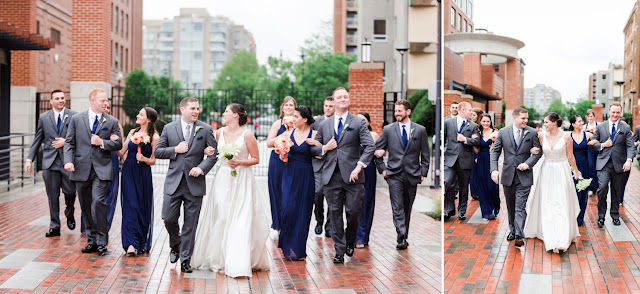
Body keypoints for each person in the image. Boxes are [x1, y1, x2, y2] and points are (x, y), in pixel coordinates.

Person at [191, 103, 270, 277]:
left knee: (240, 217)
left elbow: (256, 159)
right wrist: (207, 150)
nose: (223, 114)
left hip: (242, 178)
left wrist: (240, 162)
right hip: (223, 178)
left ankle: (237, 259)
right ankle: (218, 257)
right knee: (221, 215)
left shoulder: (247, 135)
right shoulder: (219, 132)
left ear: (235, 115)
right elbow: (211, 153)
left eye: (226, 111)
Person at [311, 87, 374, 264]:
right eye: (339, 97)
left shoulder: (358, 122)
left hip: (353, 176)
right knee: (335, 213)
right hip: (331, 176)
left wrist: (359, 166)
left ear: (348, 100)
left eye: (346, 96)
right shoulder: (323, 125)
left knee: (353, 212)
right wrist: (325, 148)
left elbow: (369, 146)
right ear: (335, 100)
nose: (343, 99)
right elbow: (314, 148)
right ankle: (339, 250)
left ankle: (350, 240)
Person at [154, 97, 218, 273]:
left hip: (194, 184)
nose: (196, 111)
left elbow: (214, 155)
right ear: (182, 110)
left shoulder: (205, 129)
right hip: (173, 183)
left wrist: (201, 168)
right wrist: (175, 149)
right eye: (192, 108)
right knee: (168, 218)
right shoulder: (169, 128)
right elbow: (158, 151)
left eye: (197, 108)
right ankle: (176, 244)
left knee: (190, 224)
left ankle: (185, 260)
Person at [63, 88, 123, 255]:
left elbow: (118, 144)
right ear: (93, 101)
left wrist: (102, 142)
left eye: (106, 100)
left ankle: (102, 241)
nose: (106, 103)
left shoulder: (111, 121)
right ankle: (92, 240)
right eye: (102, 100)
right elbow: (69, 143)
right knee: (85, 206)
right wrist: (68, 161)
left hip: (101, 170)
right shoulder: (76, 119)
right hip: (80, 169)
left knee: (98, 202)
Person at [374, 100, 429, 250]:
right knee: (397, 206)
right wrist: (383, 170)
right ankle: (401, 236)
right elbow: (377, 152)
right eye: (396, 111)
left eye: (399, 111)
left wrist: (423, 172)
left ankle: (404, 235)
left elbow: (425, 153)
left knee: (407, 207)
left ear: (408, 112)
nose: (397, 113)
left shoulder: (420, 130)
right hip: (394, 174)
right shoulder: (388, 130)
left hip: (412, 174)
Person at [523, 113, 581, 253]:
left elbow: (570, 156)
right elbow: (538, 153)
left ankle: (562, 236)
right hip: (547, 171)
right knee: (548, 202)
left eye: (547, 122)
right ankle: (548, 232)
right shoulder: (542, 136)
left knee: (561, 202)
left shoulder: (567, 136)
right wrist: (531, 150)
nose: (545, 124)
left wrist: (577, 171)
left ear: (555, 123)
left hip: (562, 171)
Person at [25, 89, 77, 237]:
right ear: (51, 101)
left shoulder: (74, 116)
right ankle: (55, 226)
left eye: (62, 98)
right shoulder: (44, 117)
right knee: (52, 196)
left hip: (67, 162)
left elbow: (79, 138)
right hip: (50, 163)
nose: (61, 100)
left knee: (70, 192)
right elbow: (37, 140)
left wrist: (65, 142)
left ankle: (70, 211)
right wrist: (30, 159)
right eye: (57, 98)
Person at [490, 107, 542, 247]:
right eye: (523, 118)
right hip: (508, 175)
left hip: (524, 176)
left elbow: (538, 152)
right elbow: (495, 152)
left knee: (520, 206)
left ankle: (519, 234)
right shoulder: (503, 132)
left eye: (526, 118)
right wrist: (494, 170)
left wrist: (528, 163)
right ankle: (512, 229)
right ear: (515, 118)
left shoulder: (531, 132)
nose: (526, 120)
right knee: (510, 205)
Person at [113, 107, 159, 256]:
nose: (137, 116)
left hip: (143, 174)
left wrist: (144, 159)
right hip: (128, 172)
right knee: (130, 206)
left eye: (141, 114)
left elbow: (153, 160)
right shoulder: (133, 132)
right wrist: (112, 143)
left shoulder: (154, 137)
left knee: (141, 207)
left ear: (149, 119)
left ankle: (140, 242)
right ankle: (130, 244)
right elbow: (122, 151)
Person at [278, 105, 318, 260]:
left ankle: (298, 250)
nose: (292, 119)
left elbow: (321, 154)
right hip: (290, 174)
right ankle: (287, 245)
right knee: (288, 209)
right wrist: (283, 153)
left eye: (296, 116)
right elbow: (282, 158)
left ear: (305, 119)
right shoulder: (288, 134)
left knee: (303, 212)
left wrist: (317, 144)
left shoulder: (314, 134)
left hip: (306, 175)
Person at [588, 103, 635, 228]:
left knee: (616, 190)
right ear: (609, 111)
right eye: (613, 112)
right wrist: (603, 145)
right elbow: (593, 143)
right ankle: (601, 216)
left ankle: (615, 215)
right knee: (602, 188)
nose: (615, 115)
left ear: (620, 113)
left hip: (619, 164)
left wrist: (629, 160)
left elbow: (630, 146)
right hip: (604, 163)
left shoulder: (625, 127)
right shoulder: (601, 126)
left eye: (618, 112)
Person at [443, 102, 479, 221]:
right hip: (450, 159)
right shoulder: (448, 123)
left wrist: (465, 140)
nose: (471, 112)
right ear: (463, 110)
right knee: (448, 183)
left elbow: (477, 141)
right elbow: (442, 139)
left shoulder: (473, 125)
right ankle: (449, 209)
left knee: (464, 187)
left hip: (465, 160)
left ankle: (462, 211)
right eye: (469, 110)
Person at [266, 96, 296, 232]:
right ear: (282, 108)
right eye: (287, 105)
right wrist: (284, 135)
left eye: (291, 105)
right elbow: (268, 143)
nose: (289, 107)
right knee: (277, 191)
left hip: (293, 160)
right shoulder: (277, 124)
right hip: (277, 160)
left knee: (291, 193)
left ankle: (290, 223)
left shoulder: (299, 123)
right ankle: (278, 225)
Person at [310, 96, 334, 237]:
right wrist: (320, 149)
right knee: (318, 193)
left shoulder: (337, 122)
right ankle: (319, 220)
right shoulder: (315, 122)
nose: (328, 108)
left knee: (332, 197)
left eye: (330, 106)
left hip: (332, 163)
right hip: (318, 163)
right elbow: (311, 141)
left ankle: (329, 225)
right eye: (326, 105)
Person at [355, 112, 379, 248]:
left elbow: (380, 150)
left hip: (368, 170)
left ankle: (363, 237)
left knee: (367, 202)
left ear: (368, 123)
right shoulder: (351, 136)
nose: (361, 122)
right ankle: (355, 235)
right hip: (353, 171)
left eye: (363, 120)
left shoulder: (373, 135)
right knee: (354, 204)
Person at [567, 115, 593, 226]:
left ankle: (580, 217)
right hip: (571, 166)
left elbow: (599, 140)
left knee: (583, 192)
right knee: (572, 191)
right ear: (573, 124)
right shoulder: (568, 136)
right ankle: (572, 215)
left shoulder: (588, 135)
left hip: (584, 165)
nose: (582, 123)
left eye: (582, 121)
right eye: (579, 121)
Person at [473, 114, 500, 220]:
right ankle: (486, 212)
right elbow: (475, 147)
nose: (486, 123)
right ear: (480, 122)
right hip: (480, 161)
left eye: (487, 121)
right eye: (483, 121)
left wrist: (493, 148)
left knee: (492, 186)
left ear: (490, 122)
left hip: (491, 161)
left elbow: (499, 148)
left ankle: (495, 205)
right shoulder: (477, 133)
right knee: (482, 187)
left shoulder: (495, 133)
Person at [469, 108, 483, 201]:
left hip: (480, 152)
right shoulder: (468, 126)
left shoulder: (481, 128)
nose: (472, 117)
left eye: (474, 115)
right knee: (472, 173)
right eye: (471, 115)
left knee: (480, 173)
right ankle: (474, 193)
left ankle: (480, 191)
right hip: (470, 152)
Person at [585, 109, 599, 194]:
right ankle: (590, 187)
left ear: (594, 117)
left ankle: (596, 187)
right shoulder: (584, 127)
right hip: (588, 149)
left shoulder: (598, 126)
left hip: (596, 149)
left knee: (597, 167)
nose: (590, 118)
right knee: (590, 166)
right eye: (589, 116)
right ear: (586, 117)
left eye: (591, 116)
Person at [619, 117, 631, 205]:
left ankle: (620, 199)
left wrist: (630, 160)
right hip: (616, 161)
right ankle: (615, 198)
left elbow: (632, 148)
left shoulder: (630, 134)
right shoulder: (615, 134)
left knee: (623, 182)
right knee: (615, 182)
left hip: (626, 161)